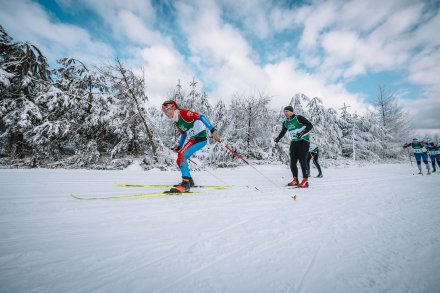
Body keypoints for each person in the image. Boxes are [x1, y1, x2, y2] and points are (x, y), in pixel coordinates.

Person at [162, 100, 220, 193]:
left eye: (166, 110)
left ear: (173, 108)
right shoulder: (176, 121)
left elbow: (201, 116)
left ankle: (185, 185)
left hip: (200, 138)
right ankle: (189, 180)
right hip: (194, 139)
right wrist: (179, 146)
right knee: (179, 159)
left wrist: (213, 130)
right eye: (164, 111)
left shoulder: (184, 113)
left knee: (182, 155)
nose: (165, 113)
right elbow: (184, 134)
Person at [275, 105, 313, 188]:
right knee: (292, 162)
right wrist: (278, 138)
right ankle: (295, 180)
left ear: (292, 112)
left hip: (303, 141)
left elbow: (310, 125)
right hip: (294, 143)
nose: (285, 113)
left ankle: (305, 181)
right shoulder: (285, 122)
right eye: (284, 111)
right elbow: (283, 132)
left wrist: (301, 133)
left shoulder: (298, 118)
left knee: (302, 161)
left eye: (287, 111)